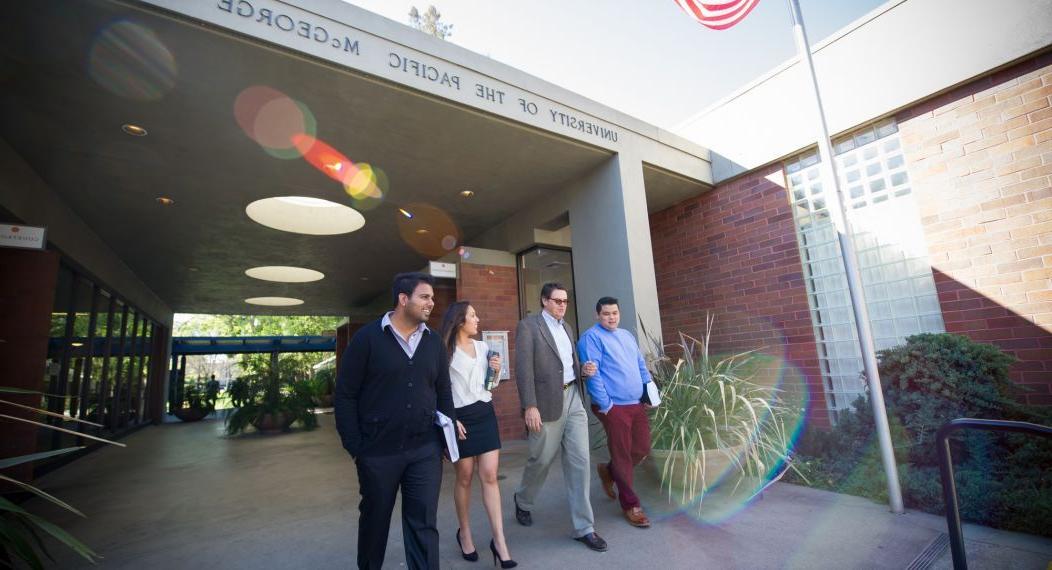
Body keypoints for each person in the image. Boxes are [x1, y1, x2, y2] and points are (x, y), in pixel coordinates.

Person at [335, 272, 456, 570]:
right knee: (375, 523)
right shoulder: (367, 339)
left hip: (425, 450)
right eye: (425, 297)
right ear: (403, 299)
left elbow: (443, 391)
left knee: (424, 525)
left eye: (432, 297)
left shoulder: (434, 343)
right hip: (377, 453)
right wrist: (356, 447)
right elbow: (345, 395)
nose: (432, 303)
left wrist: (445, 435)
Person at [512, 282, 607, 552]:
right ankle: (523, 500)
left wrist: (583, 369)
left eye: (565, 301)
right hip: (545, 403)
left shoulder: (567, 327)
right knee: (540, 459)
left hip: (574, 397)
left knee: (580, 461)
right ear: (544, 301)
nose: (562, 305)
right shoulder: (529, 327)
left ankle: (584, 527)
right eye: (557, 301)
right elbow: (523, 370)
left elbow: (566, 364)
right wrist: (530, 405)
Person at [439, 301, 517, 568]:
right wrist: (451, 418)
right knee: (464, 478)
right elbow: (439, 390)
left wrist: (495, 370)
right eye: (473, 315)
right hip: (460, 418)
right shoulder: (444, 352)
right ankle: (465, 533)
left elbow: (490, 385)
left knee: (490, 476)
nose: (478, 319)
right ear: (460, 321)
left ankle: (500, 541)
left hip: (484, 414)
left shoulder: (483, 348)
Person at [577, 296, 655, 529]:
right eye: (606, 314)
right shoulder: (591, 338)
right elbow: (593, 374)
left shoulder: (627, 336)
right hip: (613, 407)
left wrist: (648, 392)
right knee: (621, 453)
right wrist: (607, 405)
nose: (611, 317)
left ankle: (609, 471)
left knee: (641, 448)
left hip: (635, 403)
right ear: (597, 315)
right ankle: (631, 505)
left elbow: (640, 365)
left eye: (614, 313)